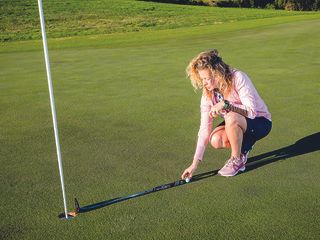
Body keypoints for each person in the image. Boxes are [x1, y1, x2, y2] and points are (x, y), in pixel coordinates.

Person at [181, 49, 272, 178]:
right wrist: (194, 164)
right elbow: (204, 130)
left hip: (260, 122)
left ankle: (237, 160)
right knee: (216, 140)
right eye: (202, 79)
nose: (204, 83)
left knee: (231, 116)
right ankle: (245, 145)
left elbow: (251, 112)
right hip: (237, 121)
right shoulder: (208, 93)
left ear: (217, 73)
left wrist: (226, 104)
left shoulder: (238, 77)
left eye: (207, 78)